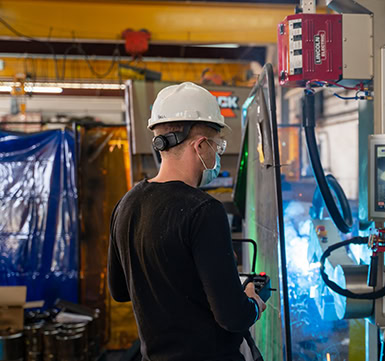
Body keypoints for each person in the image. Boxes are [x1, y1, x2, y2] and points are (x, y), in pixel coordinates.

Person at [107, 82, 266, 361]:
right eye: (217, 146)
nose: (216, 154)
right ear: (201, 145)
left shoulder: (126, 204)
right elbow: (233, 318)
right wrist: (252, 302)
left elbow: (120, 291)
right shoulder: (204, 211)